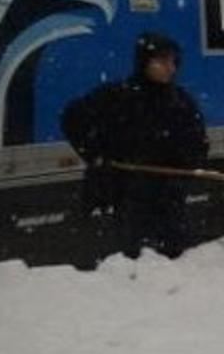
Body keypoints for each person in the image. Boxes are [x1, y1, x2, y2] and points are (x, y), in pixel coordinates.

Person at [61, 32, 208, 259]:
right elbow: (72, 117)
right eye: (161, 61)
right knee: (131, 258)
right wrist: (95, 155)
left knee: (172, 258)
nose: (170, 68)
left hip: (168, 199)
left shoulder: (180, 101)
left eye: (172, 61)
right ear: (144, 62)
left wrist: (184, 169)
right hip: (128, 196)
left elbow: (198, 142)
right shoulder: (118, 96)